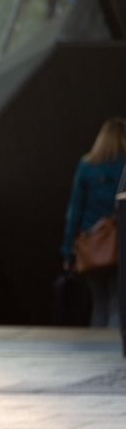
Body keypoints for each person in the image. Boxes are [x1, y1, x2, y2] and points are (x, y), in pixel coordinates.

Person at [62, 117, 126, 328]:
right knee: (117, 303)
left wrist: (68, 250)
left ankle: (96, 351)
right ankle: (113, 352)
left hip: (92, 243)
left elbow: (75, 210)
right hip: (119, 243)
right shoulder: (123, 166)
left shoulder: (87, 166)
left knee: (97, 303)